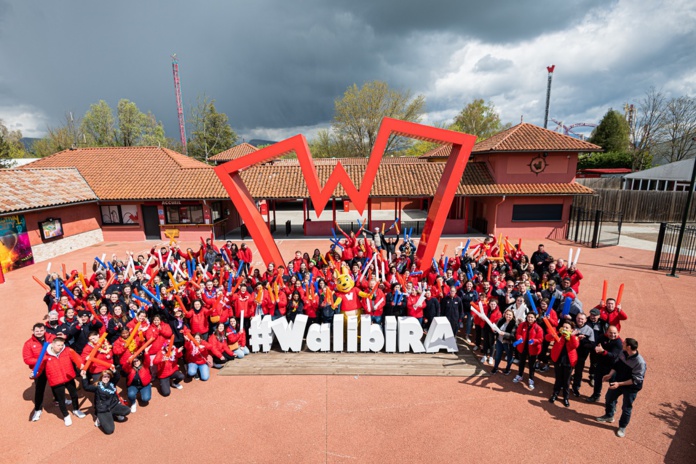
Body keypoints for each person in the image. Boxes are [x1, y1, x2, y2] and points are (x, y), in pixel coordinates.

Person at [596, 338, 647, 437]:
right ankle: (609, 416)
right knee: (609, 398)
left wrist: (619, 384)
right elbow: (617, 364)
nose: (622, 344)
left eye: (624, 343)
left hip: (631, 387)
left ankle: (622, 427)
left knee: (626, 407)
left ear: (629, 347)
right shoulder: (623, 353)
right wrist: (610, 374)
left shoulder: (640, 362)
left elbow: (635, 380)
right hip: (618, 381)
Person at [34, 335, 87, 426]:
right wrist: (34, 374)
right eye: (58, 345)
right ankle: (66, 416)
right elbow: (40, 367)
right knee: (61, 400)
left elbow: (77, 358)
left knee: (74, 395)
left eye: (62, 345)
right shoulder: (45, 355)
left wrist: (81, 366)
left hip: (68, 377)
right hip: (56, 380)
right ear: (53, 345)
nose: (61, 347)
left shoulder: (67, 350)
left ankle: (76, 410)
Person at [80, 368, 131, 434]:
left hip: (113, 406)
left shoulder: (112, 384)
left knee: (127, 410)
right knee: (109, 430)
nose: (106, 378)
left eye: (108, 377)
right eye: (104, 376)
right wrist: (84, 376)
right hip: (103, 410)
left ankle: (115, 414)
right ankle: (100, 419)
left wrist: (114, 370)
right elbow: (86, 387)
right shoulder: (97, 386)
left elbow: (117, 376)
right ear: (101, 377)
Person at [23, 323, 56, 422]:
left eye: (41, 330)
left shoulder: (52, 338)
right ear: (33, 331)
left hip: (52, 366)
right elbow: (27, 359)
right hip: (39, 369)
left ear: (45, 330)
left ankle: (58, 400)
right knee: (39, 389)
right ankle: (38, 409)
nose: (39, 333)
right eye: (37, 331)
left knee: (56, 384)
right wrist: (42, 359)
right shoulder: (28, 344)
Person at [547, 321, 580, 407]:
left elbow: (575, 345)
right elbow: (547, 338)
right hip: (558, 359)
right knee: (558, 378)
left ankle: (566, 397)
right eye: (563, 327)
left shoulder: (574, 337)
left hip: (569, 361)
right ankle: (555, 394)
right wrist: (553, 335)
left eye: (567, 328)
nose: (564, 329)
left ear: (571, 330)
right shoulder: (558, 335)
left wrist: (572, 336)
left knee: (566, 381)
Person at [587, 325, 623, 402]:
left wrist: (603, 351)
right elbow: (596, 344)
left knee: (612, 383)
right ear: (607, 332)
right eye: (610, 333)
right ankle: (596, 396)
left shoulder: (619, 343)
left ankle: (612, 401)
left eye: (614, 333)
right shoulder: (602, 337)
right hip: (601, 364)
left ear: (618, 333)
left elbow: (613, 356)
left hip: (613, 367)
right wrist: (596, 348)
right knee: (597, 380)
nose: (613, 335)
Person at [513, 312, 543, 390]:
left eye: (532, 317)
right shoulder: (522, 324)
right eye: (529, 317)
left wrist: (534, 341)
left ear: (535, 318)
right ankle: (520, 375)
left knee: (531, 365)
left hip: (533, 350)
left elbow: (540, 339)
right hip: (523, 348)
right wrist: (519, 338)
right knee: (521, 362)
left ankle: (531, 379)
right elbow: (518, 333)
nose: (530, 319)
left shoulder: (538, 328)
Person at [491, 309, 517, 375]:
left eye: (510, 315)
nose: (508, 316)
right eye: (507, 314)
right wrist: (495, 330)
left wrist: (504, 334)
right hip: (499, 341)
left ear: (513, 316)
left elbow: (513, 335)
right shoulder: (501, 320)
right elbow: (496, 328)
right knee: (497, 355)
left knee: (509, 356)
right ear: (505, 314)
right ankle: (495, 368)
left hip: (508, 343)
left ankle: (508, 369)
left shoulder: (514, 324)